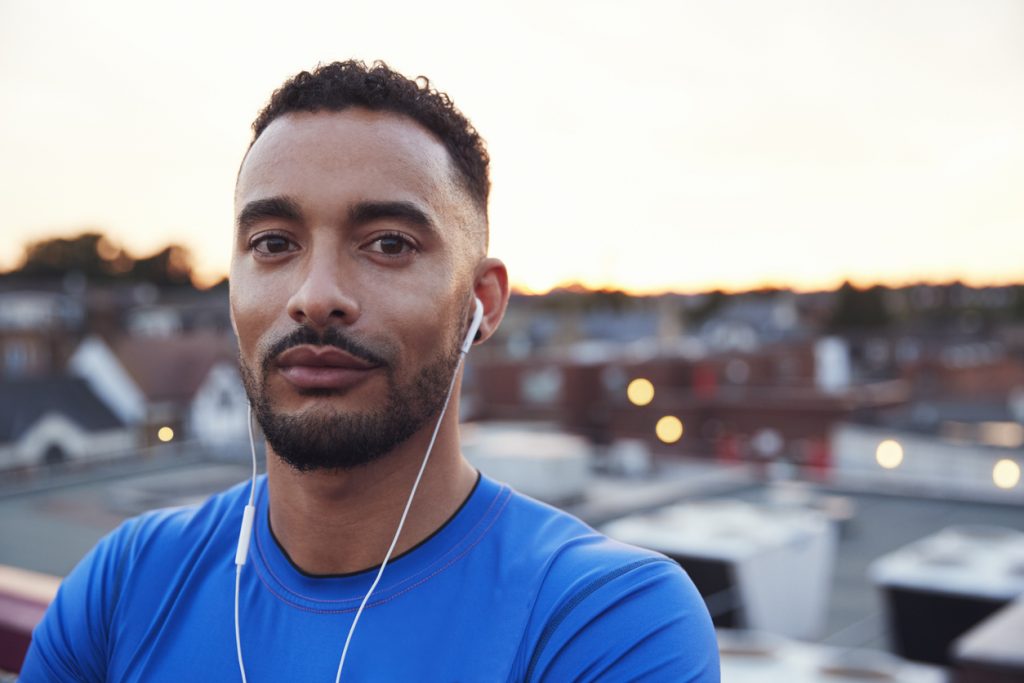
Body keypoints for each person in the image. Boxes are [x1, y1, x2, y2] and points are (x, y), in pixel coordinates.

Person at [21, 60, 719, 682]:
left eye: (388, 243)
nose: (315, 294)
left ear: (483, 302)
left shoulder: (602, 619)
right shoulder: (127, 581)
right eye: (272, 243)